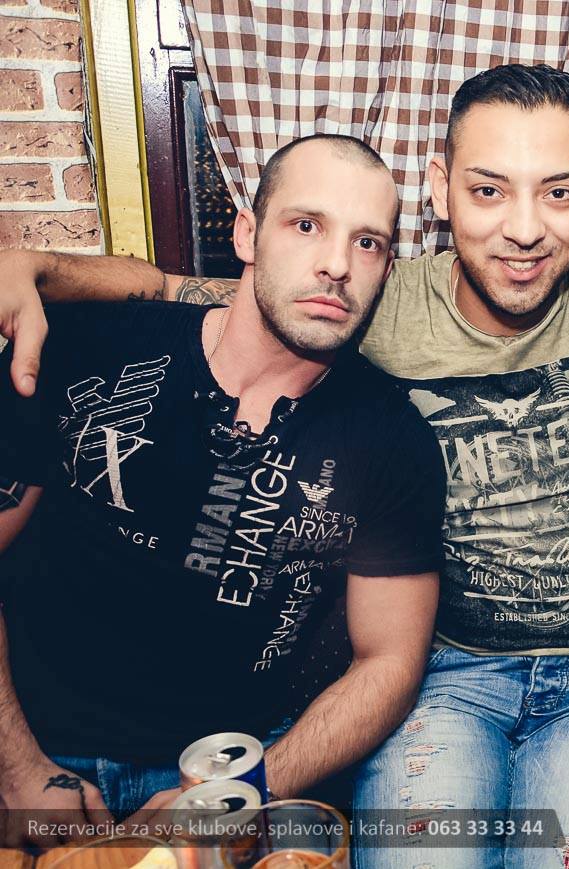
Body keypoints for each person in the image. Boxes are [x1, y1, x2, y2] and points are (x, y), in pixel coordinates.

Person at [0, 65, 569, 867]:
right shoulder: (372, 294)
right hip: (449, 675)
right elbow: (170, 288)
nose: (524, 229)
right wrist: (34, 265)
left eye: (558, 193)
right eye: (489, 190)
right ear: (440, 189)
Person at [0, 135, 445, 847]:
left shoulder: (392, 439)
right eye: (307, 225)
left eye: (367, 242)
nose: (337, 264)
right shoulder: (91, 345)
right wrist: (20, 769)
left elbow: (389, 662)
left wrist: (243, 789)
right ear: (246, 233)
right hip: (32, 745)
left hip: (228, 766)